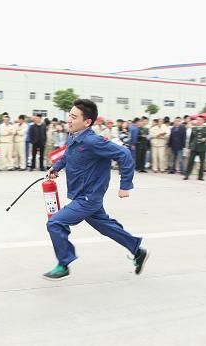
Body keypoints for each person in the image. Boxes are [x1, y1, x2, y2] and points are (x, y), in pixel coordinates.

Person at [45, 99, 148, 280]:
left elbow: (124, 154)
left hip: (88, 198)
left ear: (87, 122)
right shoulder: (74, 136)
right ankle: (137, 250)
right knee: (107, 227)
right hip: (81, 195)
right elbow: (68, 155)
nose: (69, 120)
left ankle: (64, 263)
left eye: (74, 117)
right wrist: (57, 167)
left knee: (56, 223)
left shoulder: (93, 141)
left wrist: (125, 185)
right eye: (69, 115)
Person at [184, 116, 206, 181]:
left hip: (202, 147)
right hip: (194, 147)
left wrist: (205, 139)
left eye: (200, 120)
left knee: (202, 163)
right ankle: (187, 175)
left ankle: (200, 176)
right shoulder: (194, 128)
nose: (198, 121)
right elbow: (191, 139)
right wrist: (189, 148)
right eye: (197, 120)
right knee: (190, 162)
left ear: (203, 121)